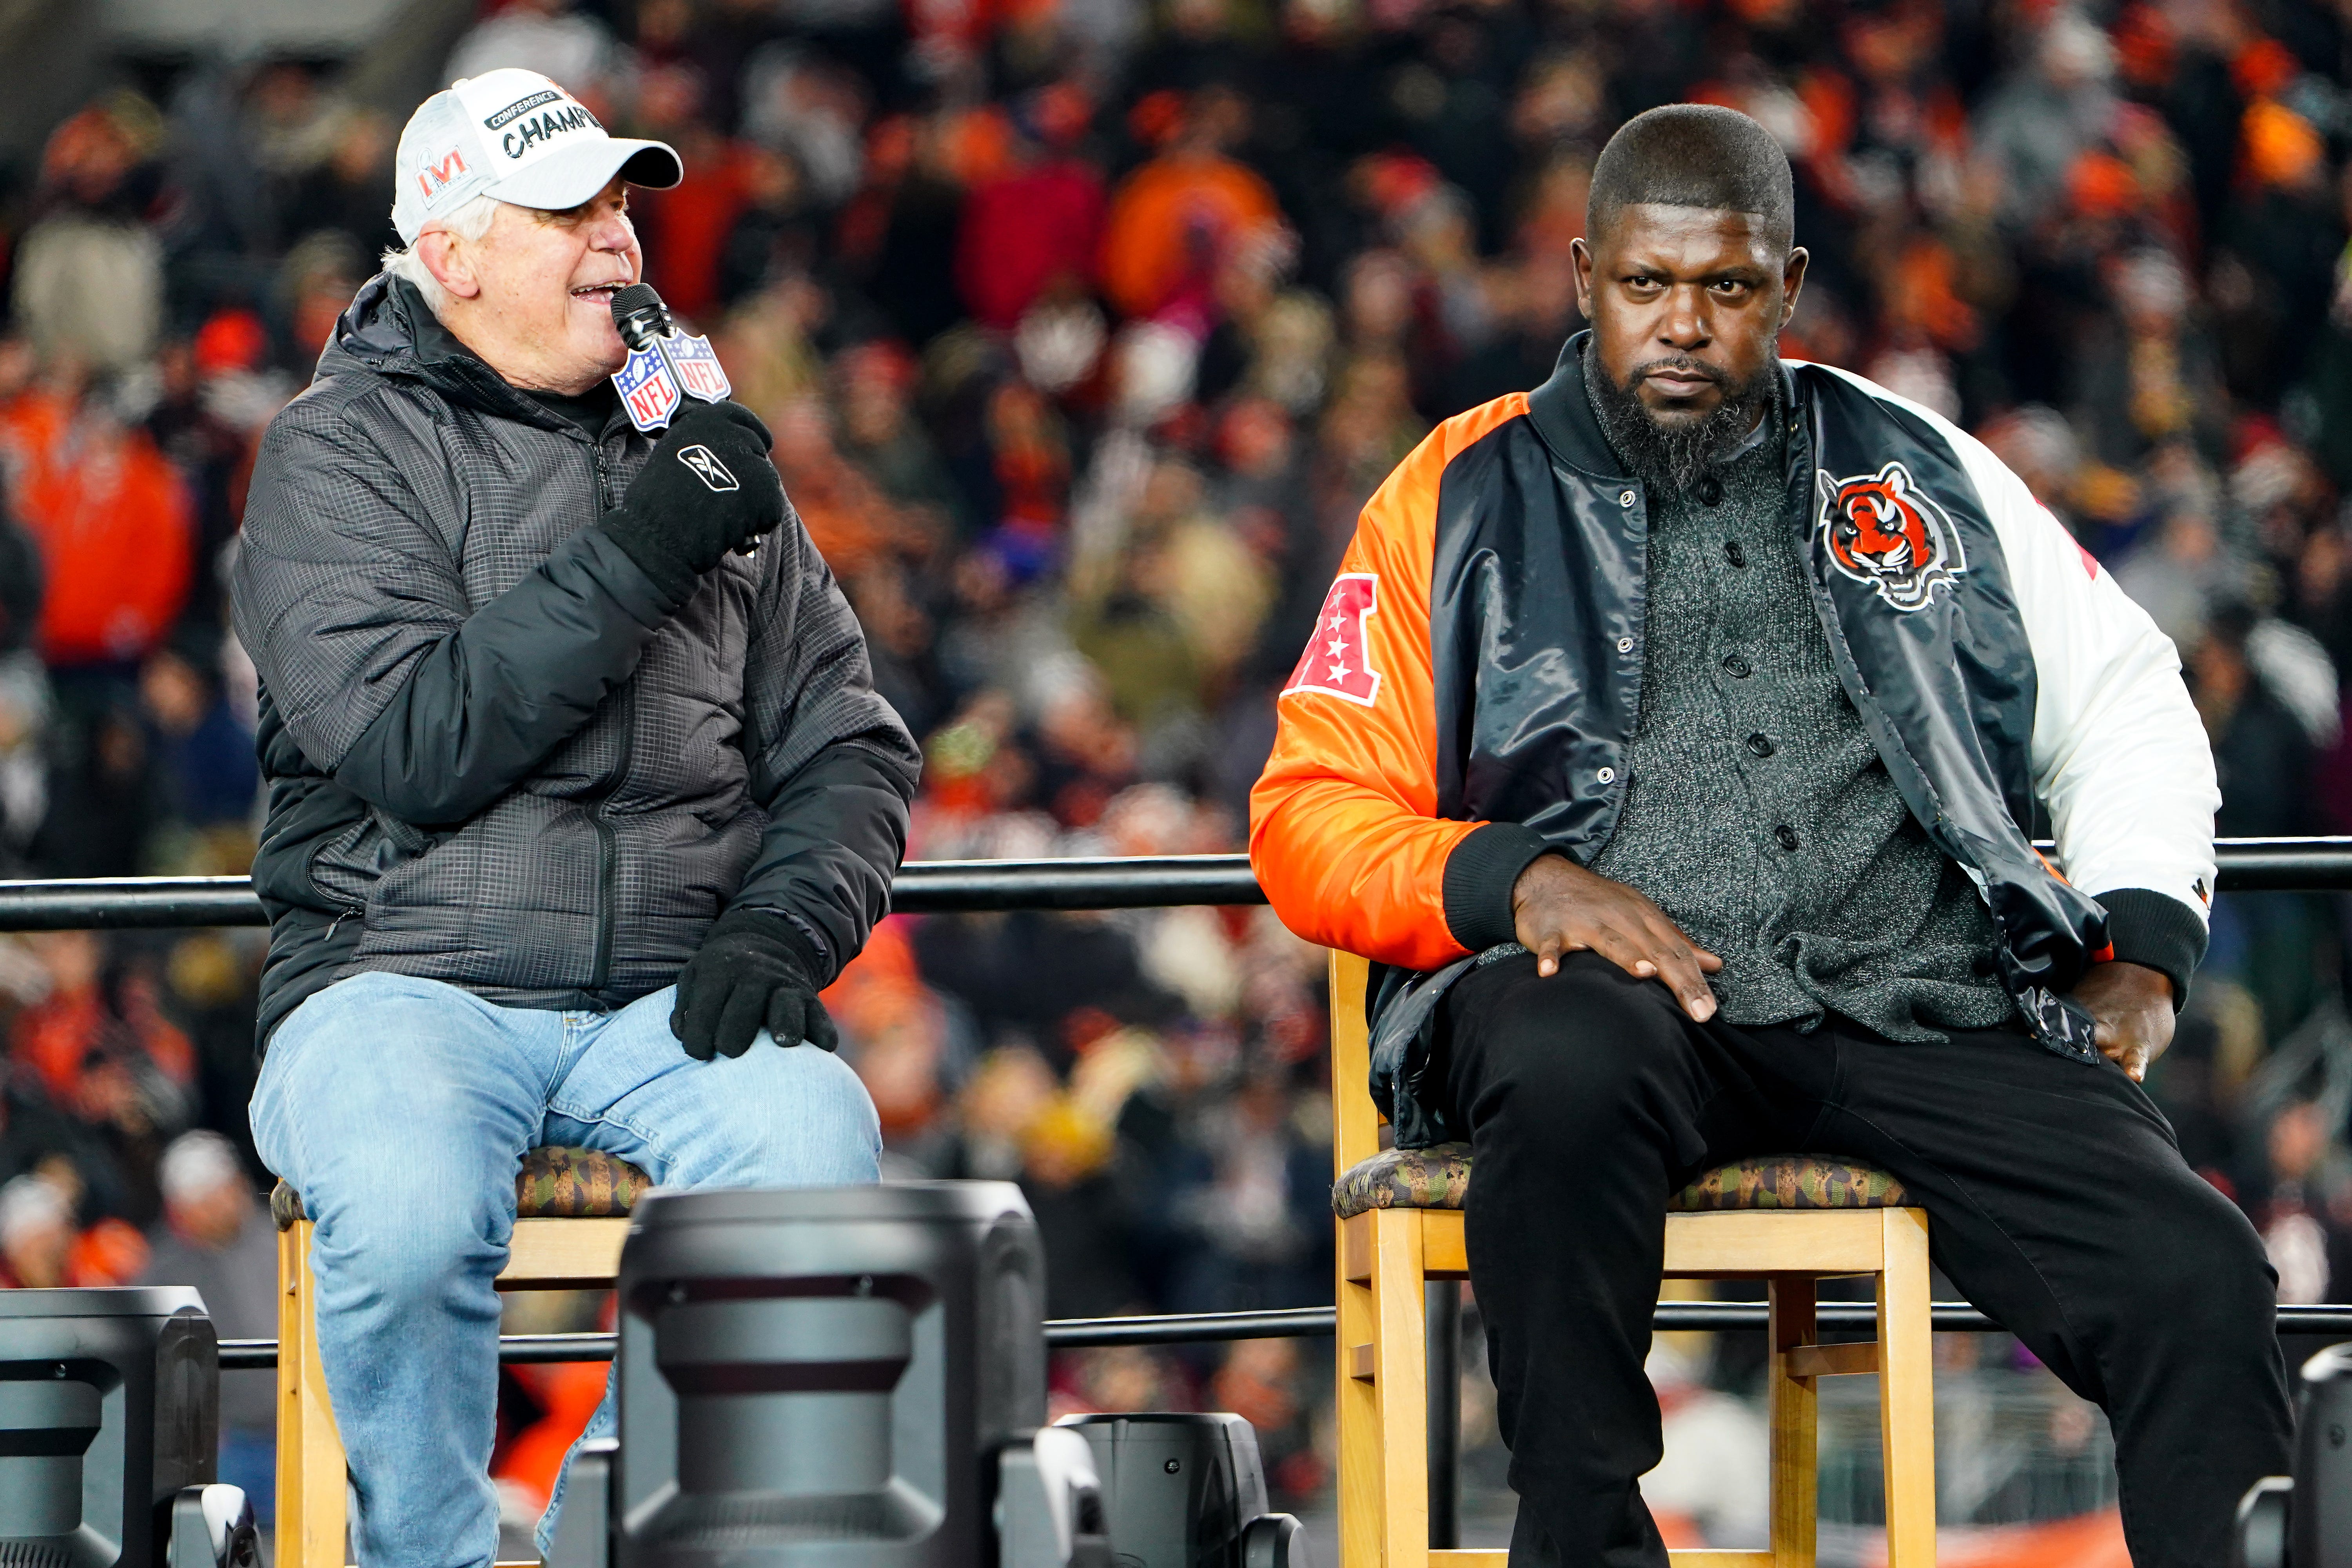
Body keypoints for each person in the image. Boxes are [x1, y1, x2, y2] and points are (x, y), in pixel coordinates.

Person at [1249, 104, 2288, 1567]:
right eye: (1645, 285)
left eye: (1726, 288)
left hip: (1921, 998)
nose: (1683, 325)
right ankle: (1587, 1546)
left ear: (1786, 287)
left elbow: (2123, 691)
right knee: (1559, 1057)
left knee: (2197, 1270)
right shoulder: (1451, 492)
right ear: (1581, 276)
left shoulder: (1918, 461)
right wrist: (1509, 877)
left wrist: (2142, 939)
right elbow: (1304, 811)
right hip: (1619, 1008)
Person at [227, 68, 920, 1568]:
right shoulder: (332, 451)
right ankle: (430, 1557)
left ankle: (630, 1527)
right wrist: (657, 529)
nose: (621, 240)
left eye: (623, 205)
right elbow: (416, 743)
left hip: (664, 991)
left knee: (815, 1148)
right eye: (573, 210)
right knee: (407, 1209)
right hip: (397, 976)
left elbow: (852, 746)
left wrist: (785, 921)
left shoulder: (700, 444)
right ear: (455, 250)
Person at [136, 1131, 276, 1521]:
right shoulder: (162, 1272)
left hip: (298, 1427)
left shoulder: (278, 1239)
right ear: (181, 1209)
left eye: (225, 1187)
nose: (220, 1202)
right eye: (204, 1196)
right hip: (229, 1443)